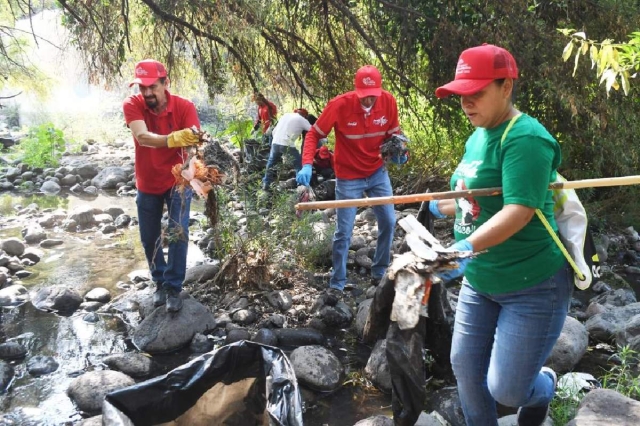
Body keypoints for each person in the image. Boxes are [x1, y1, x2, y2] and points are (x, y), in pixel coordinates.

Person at [432, 44, 571, 426]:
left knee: (508, 391)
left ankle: (544, 384)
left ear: (506, 86)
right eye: (461, 93)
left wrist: (462, 248)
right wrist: (439, 206)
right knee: (465, 369)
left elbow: (519, 211)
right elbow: (472, 201)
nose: (466, 102)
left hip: (533, 284)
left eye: (476, 92)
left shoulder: (525, 137)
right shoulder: (477, 135)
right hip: (481, 280)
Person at [296, 65, 408, 295]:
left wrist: (400, 152)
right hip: (348, 176)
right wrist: (307, 163)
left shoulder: (388, 102)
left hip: (377, 172)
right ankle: (337, 281)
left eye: (372, 96)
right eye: (364, 96)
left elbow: (394, 136)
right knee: (344, 231)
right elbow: (314, 134)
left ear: (379, 91)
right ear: (356, 91)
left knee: (388, 220)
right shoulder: (340, 105)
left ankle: (379, 271)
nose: (368, 101)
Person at [123, 59, 201, 313]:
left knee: (178, 232)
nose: (146, 93)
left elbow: (194, 144)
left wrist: (191, 163)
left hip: (177, 181)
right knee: (149, 237)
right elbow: (143, 137)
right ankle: (158, 281)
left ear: (165, 83)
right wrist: (174, 138)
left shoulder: (184, 107)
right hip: (147, 181)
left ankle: (173, 286)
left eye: (152, 87)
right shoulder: (132, 104)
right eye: (141, 88)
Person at [261, 108, 313, 190]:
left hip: (275, 142)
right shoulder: (302, 119)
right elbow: (313, 131)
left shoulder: (285, 115)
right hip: (286, 143)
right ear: (305, 116)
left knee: (271, 163)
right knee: (299, 163)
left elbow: (273, 131)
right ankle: (301, 185)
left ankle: (266, 183)